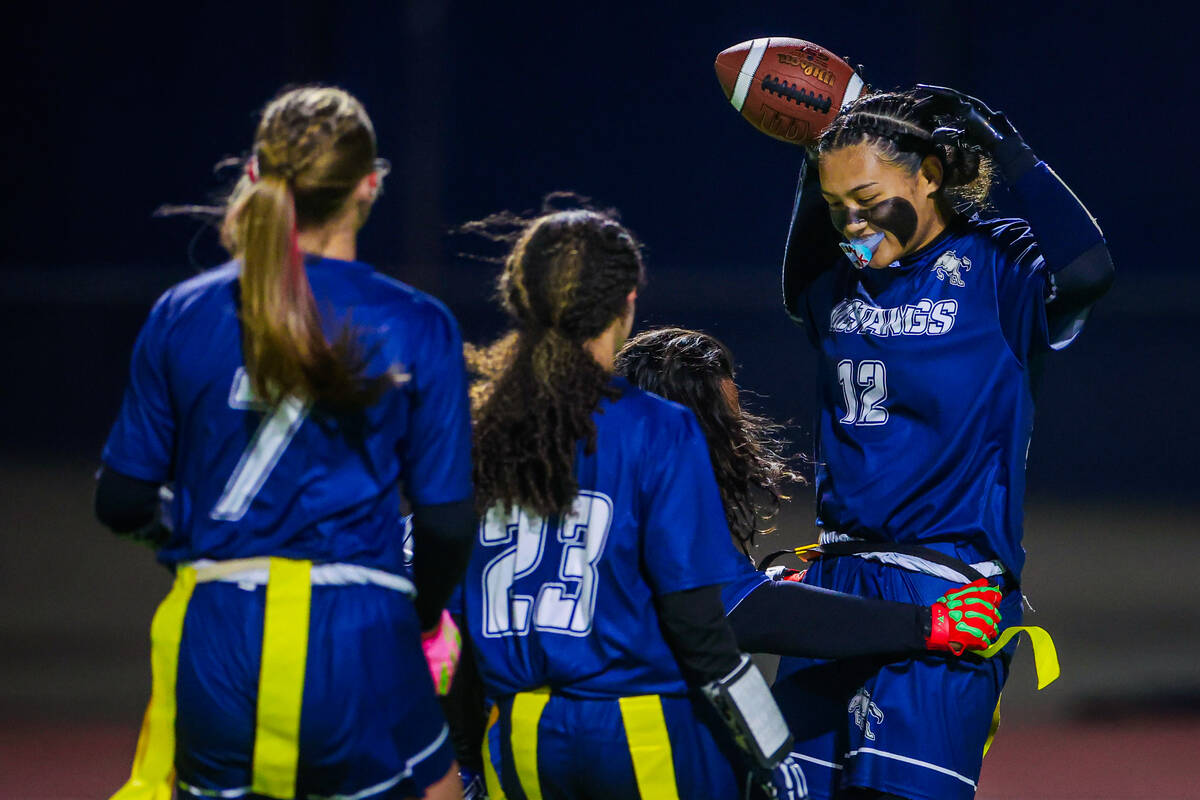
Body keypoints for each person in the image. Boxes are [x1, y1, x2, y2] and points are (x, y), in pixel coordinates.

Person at [95, 85, 475, 800]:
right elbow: (447, 522)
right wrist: (417, 616)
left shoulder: (182, 312)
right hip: (356, 629)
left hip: (218, 630)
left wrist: (200, 537)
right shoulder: (417, 323)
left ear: (255, 178)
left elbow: (121, 501)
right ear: (369, 185)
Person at [772, 85, 1114, 800]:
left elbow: (1087, 270)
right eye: (837, 209)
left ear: (929, 175)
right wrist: (821, 143)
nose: (852, 225)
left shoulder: (998, 267)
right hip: (838, 589)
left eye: (868, 199)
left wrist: (1009, 150)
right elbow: (798, 270)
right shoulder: (837, 284)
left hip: (949, 589)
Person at [457, 205, 807, 800]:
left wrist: (465, 747)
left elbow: (453, 614)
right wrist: (772, 751)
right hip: (635, 730)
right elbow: (700, 627)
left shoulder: (475, 429)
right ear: (628, 302)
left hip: (518, 732)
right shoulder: (657, 426)